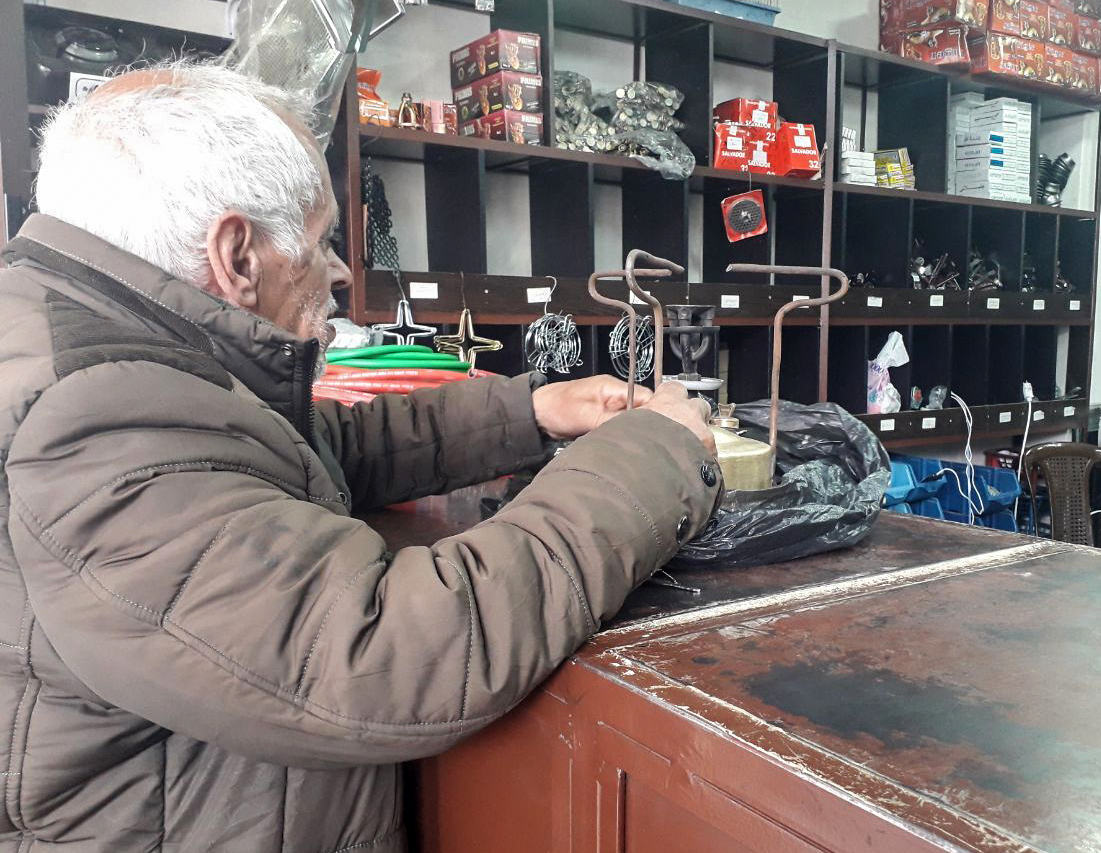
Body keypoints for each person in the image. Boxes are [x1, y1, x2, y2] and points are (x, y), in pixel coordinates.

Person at [0, 63, 720, 851]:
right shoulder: (90, 418)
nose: (342, 271)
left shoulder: (99, 338)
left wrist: (530, 410)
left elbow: (310, 451)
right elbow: (382, 653)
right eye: (321, 243)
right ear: (236, 256)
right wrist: (658, 456)